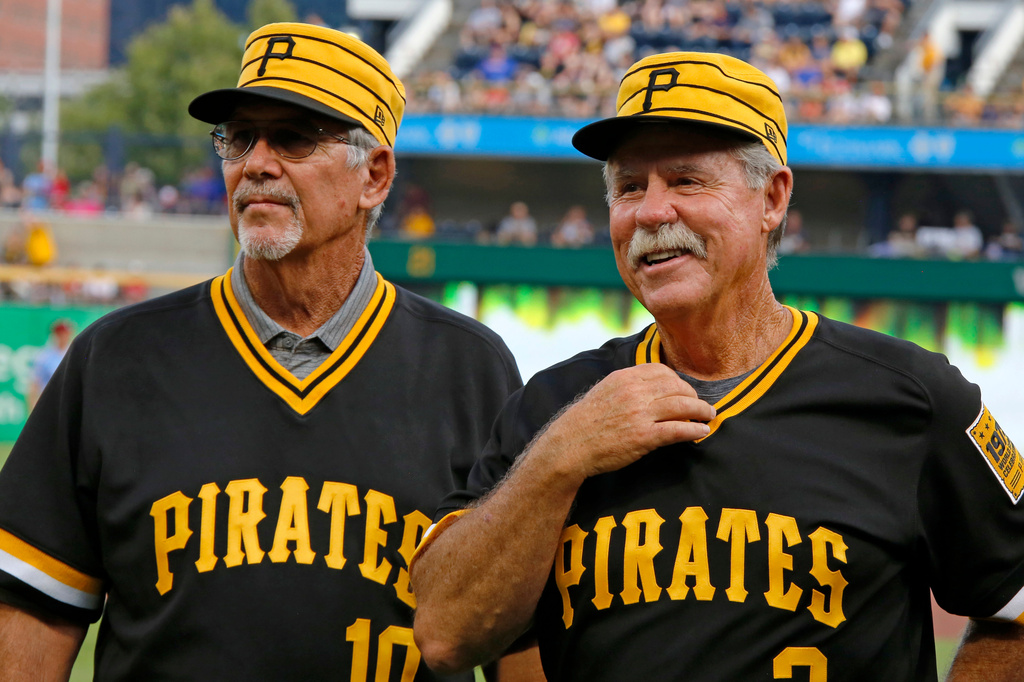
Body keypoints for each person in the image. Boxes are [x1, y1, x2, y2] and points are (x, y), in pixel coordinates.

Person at [410, 51, 1024, 681]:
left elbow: (1017, 611)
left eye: (686, 180)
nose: (650, 212)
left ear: (772, 198)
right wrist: (560, 457)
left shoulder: (910, 397)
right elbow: (445, 635)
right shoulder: (554, 406)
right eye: (628, 187)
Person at [0, 22, 522, 681]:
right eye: (239, 137)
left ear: (375, 175)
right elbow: (34, 612)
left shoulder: (470, 369)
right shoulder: (116, 359)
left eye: (294, 138)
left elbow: (516, 640)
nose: (256, 163)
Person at [26, 318, 74, 411]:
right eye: (60, 333)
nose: (63, 336)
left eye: (65, 333)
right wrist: (32, 409)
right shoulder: (44, 356)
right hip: (49, 404)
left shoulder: (75, 353)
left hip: (69, 404)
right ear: (55, 334)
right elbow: (34, 384)